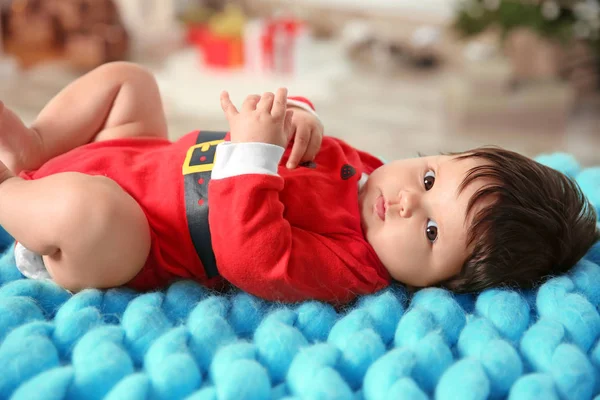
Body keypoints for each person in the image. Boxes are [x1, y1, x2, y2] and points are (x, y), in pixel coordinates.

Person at [0, 62, 597, 303]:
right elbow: (307, 134)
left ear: (445, 283)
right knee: (131, 81)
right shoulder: (368, 171)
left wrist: (255, 151)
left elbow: (250, 258)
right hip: (137, 156)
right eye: (433, 176)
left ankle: (13, 193)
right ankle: (38, 145)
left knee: (92, 215)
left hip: (131, 237)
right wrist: (299, 118)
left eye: (435, 230)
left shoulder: (353, 264)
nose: (410, 200)